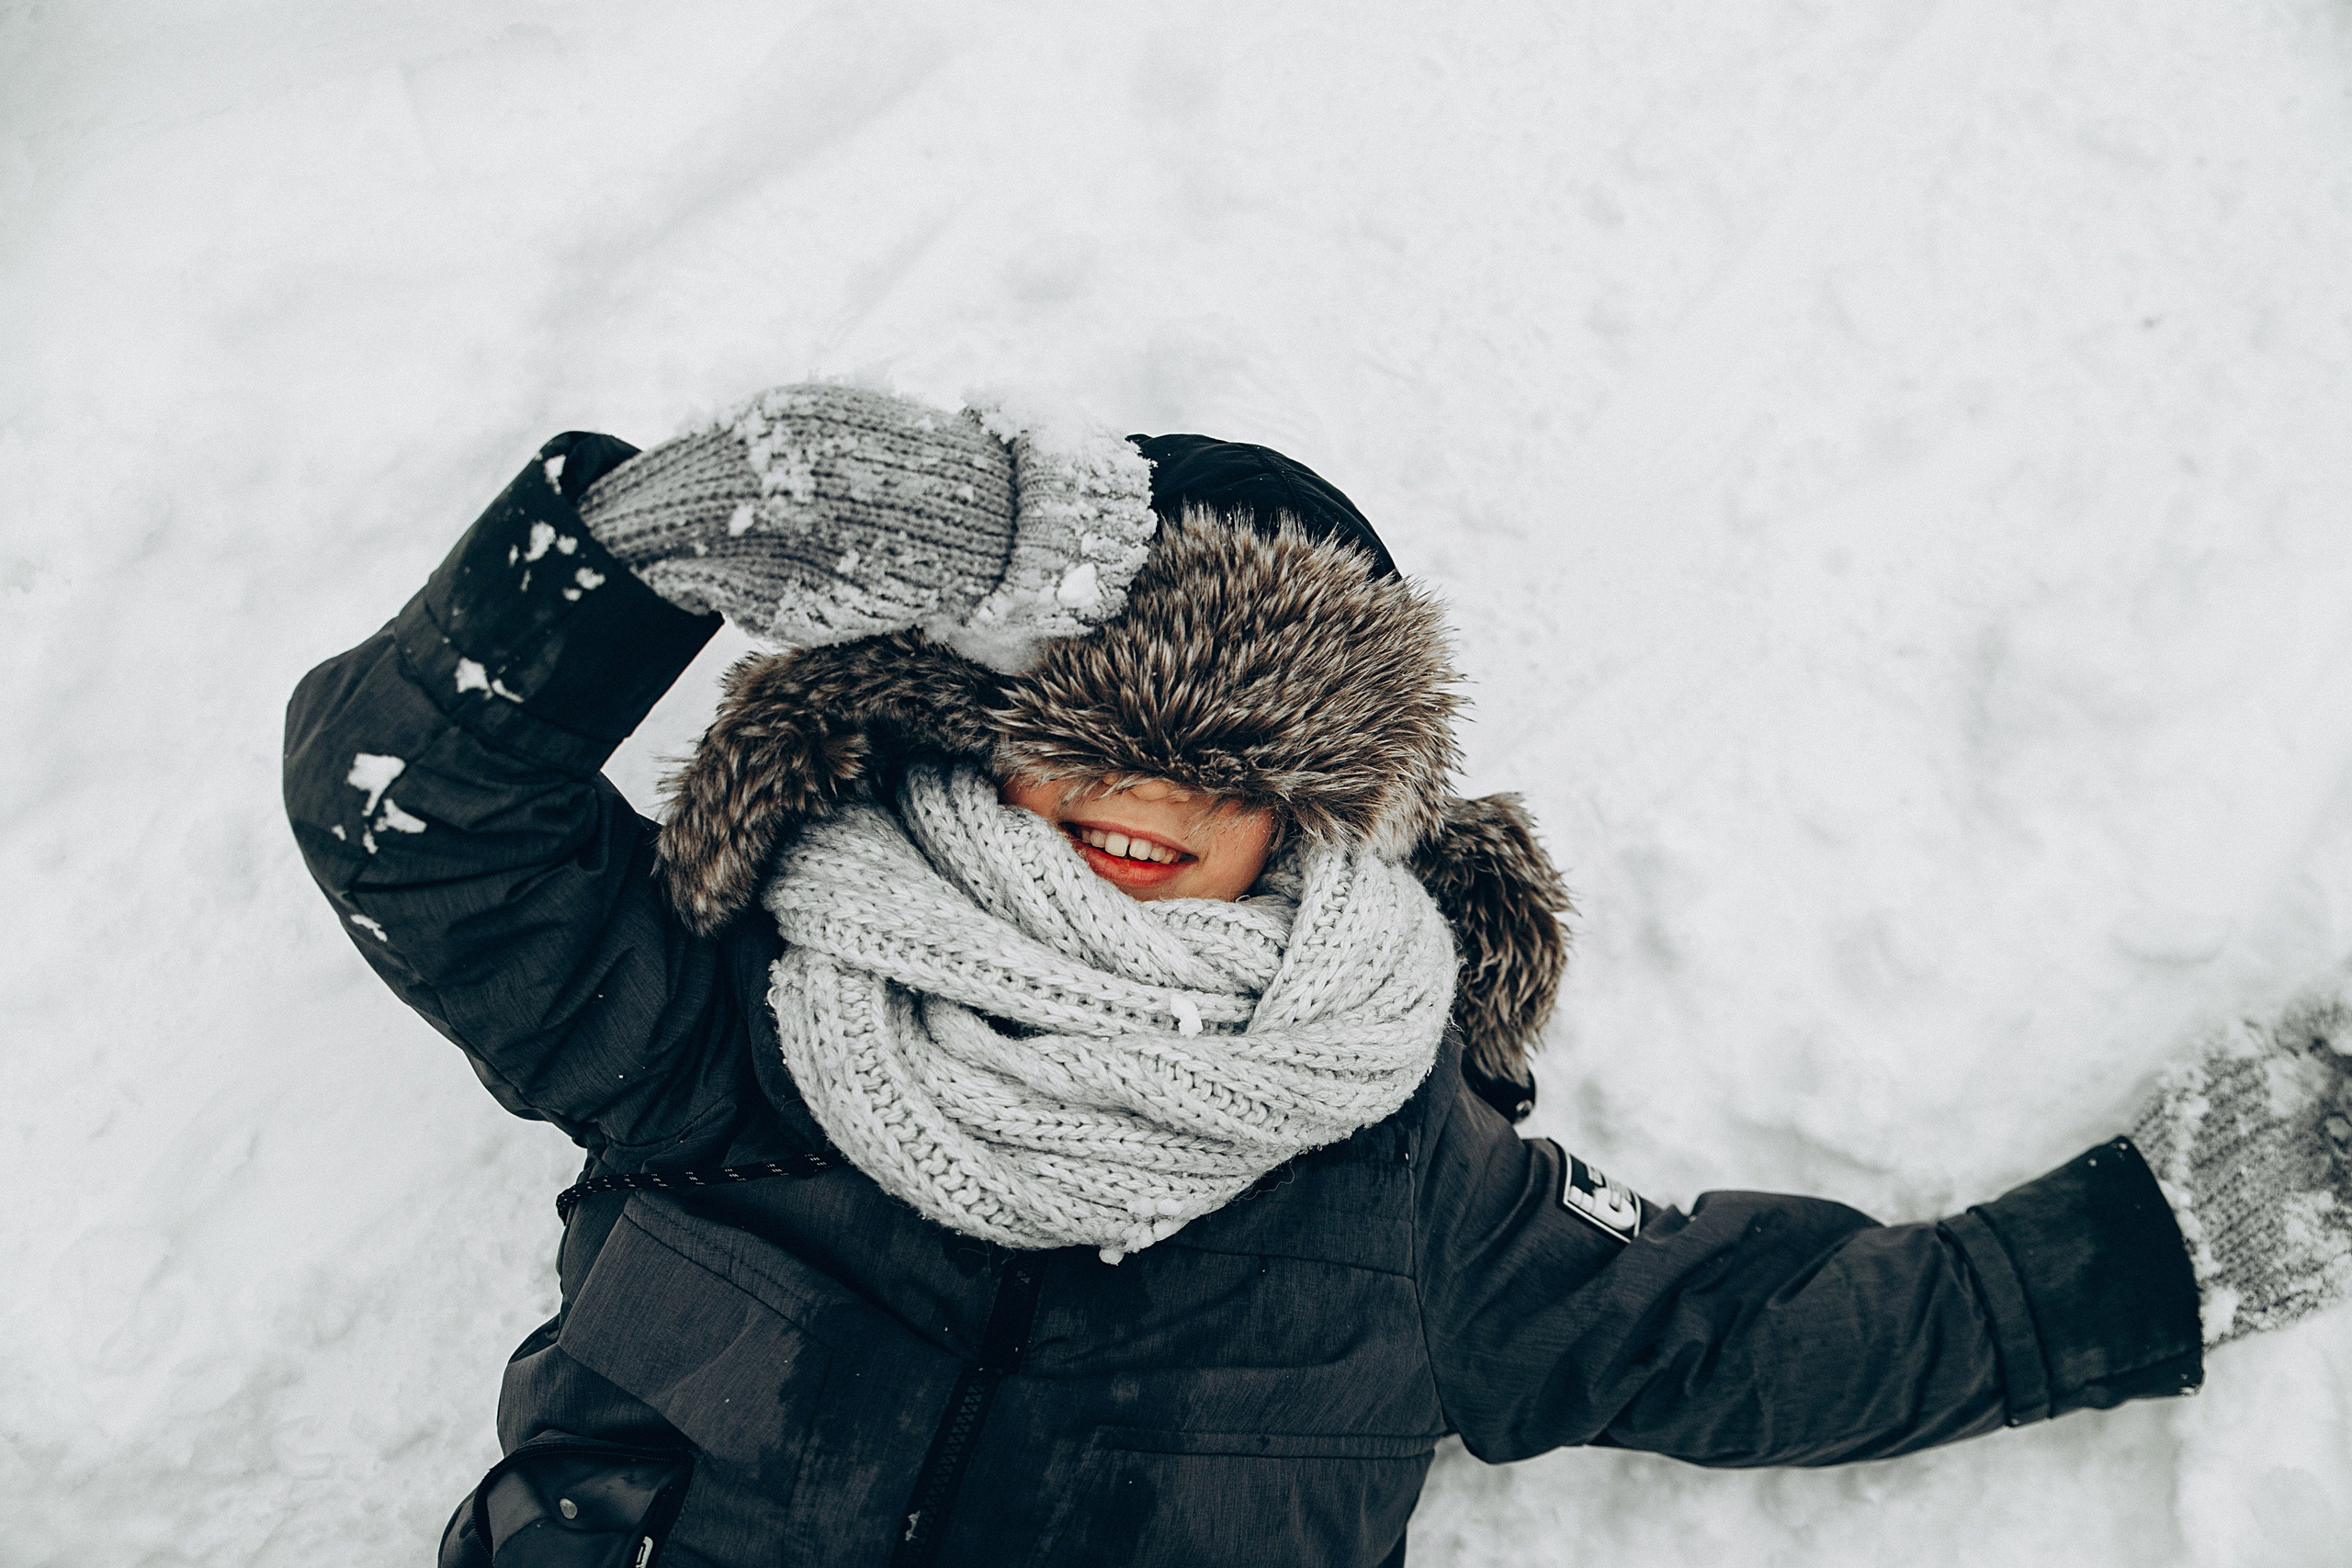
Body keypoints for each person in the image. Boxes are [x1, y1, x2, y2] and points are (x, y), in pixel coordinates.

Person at [282, 383, 2352, 1568]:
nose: (1132, 789)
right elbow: (410, 812)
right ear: (967, 722)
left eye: (1219, 755)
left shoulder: (1391, 1178)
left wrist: (2180, 1228)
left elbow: (1765, 1334)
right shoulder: (748, 1023)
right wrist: (668, 532)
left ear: (1321, 810)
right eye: (1079, 720)